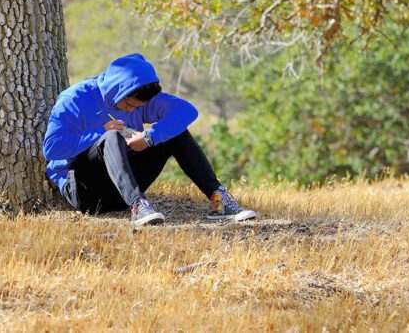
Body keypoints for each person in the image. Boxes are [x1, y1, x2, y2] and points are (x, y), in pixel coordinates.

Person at [42, 53, 256, 226]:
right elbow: (51, 149)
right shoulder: (74, 99)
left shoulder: (141, 97)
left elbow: (186, 110)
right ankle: (138, 206)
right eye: (129, 106)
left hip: (121, 192)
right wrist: (100, 132)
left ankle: (218, 199)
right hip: (84, 192)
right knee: (112, 135)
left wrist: (149, 136)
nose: (133, 111)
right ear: (118, 91)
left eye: (138, 108)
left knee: (175, 131)